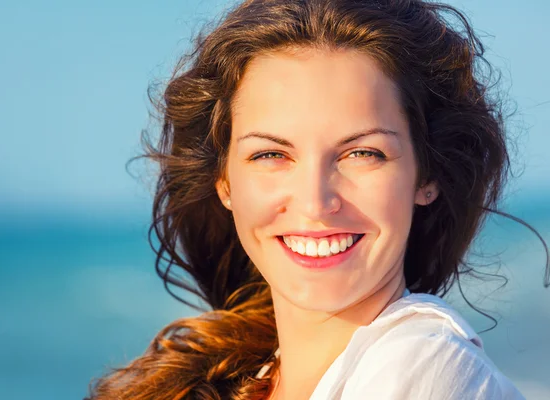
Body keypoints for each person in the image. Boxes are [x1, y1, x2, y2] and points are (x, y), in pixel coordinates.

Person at [86, 0, 550, 399]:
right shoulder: (240, 379)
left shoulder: (425, 365)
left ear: (426, 175)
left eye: (362, 153)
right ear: (224, 183)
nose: (314, 201)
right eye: (271, 154)